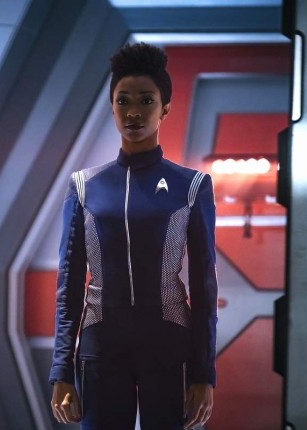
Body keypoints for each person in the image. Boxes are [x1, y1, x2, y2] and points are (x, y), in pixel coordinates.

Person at [48, 42, 217, 430]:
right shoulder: (84, 187)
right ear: (112, 107)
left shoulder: (192, 186)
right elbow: (69, 286)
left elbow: (204, 286)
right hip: (101, 348)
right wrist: (61, 370)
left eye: (146, 100)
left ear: (165, 108)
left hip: (169, 346)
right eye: (123, 101)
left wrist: (204, 373)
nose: (134, 111)